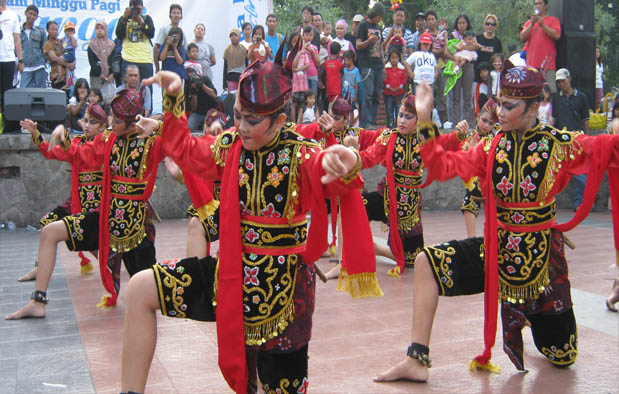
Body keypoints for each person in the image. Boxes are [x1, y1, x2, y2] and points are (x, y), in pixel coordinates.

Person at [119, 49, 381, 393]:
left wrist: (348, 161)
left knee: (276, 384)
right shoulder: (231, 147)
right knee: (140, 289)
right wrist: (173, 98)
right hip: (229, 277)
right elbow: (183, 148)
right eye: (238, 116)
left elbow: (327, 172)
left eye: (251, 120)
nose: (240, 126)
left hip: (284, 293)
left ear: (278, 119)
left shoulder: (300, 153)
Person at [374, 62, 619, 384]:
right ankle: (416, 358)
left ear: (533, 108)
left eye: (508, 106)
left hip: (542, 264)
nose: (499, 112)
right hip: (496, 252)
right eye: (499, 102)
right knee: (425, 262)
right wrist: (425, 120)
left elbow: (605, 150)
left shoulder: (559, 144)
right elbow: (444, 166)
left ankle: (529, 315)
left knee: (562, 355)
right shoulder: (491, 148)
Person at [6, 104, 112, 319]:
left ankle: (113, 266)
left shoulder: (107, 143)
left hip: (99, 209)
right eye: (86, 120)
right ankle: (40, 274)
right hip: (78, 204)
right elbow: (53, 152)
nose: (87, 125)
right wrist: (36, 134)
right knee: (49, 225)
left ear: (103, 125)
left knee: (97, 246)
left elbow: (85, 154)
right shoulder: (78, 142)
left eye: (93, 122)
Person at [456, 98, 499, 238]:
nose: (486, 125)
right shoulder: (469, 137)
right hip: (477, 181)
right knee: (470, 199)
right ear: (478, 117)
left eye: (491, 123)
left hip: (495, 181)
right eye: (484, 120)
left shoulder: (498, 137)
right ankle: (471, 239)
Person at [552, 68, 590, 211]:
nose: (561, 84)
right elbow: (553, 118)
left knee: (580, 172)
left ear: (569, 79)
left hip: (577, 138)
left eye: (563, 81)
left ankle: (580, 202)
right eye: (559, 82)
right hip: (560, 139)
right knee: (555, 171)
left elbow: (585, 118)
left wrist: (587, 137)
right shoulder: (556, 98)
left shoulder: (581, 97)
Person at [520, 0, 561, 93]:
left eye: (540, 3)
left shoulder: (553, 20)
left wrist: (542, 24)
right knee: (531, 93)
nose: (537, 6)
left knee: (550, 92)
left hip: (547, 65)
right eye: (535, 4)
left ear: (546, 6)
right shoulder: (528, 23)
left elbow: (556, 35)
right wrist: (531, 24)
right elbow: (522, 38)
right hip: (532, 65)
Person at [357, 2, 385, 128]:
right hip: (367, 65)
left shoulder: (379, 28)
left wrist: (383, 65)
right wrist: (369, 41)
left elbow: (381, 48)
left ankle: (373, 122)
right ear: (375, 14)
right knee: (368, 94)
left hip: (378, 64)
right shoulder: (363, 25)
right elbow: (358, 45)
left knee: (376, 94)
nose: (380, 19)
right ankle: (366, 123)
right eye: (379, 16)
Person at [115, 0, 155, 88]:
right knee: (126, 91)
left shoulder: (146, 19)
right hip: (128, 59)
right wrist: (124, 17)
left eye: (138, 8)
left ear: (142, 8)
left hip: (145, 60)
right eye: (133, 8)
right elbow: (119, 34)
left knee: (146, 90)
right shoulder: (124, 20)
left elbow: (151, 33)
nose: (135, 10)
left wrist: (141, 21)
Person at [448, 15, 477, 125]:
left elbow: (475, 47)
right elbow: (450, 49)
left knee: (467, 95)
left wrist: (464, 47)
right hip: (456, 63)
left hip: (468, 65)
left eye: (464, 22)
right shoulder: (453, 35)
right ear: (456, 24)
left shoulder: (471, 35)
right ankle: (456, 122)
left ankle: (467, 122)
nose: (461, 25)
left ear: (467, 24)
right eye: (459, 23)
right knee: (456, 95)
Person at [0, 0, 23, 116]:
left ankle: (6, 123)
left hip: (8, 58)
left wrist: (20, 59)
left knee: (7, 92)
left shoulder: (12, 15)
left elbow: (17, 39)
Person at [425, 11, 448, 125]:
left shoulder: (442, 33)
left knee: (443, 94)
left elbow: (446, 48)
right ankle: (430, 121)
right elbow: (429, 50)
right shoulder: (425, 34)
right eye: (428, 19)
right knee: (430, 95)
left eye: (432, 19)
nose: (430, 21)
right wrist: (439, 52)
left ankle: (443, 123)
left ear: (436, 20)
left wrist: (440, 52)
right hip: (430, 69)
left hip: (442, 66)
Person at [87, 20, 116, 106]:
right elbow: (92, 62)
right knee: (95, 100)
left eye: (102, 28)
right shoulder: (92, 45)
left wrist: (112, 75)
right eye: (97, 28)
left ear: (106, 30)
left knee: (109, 102)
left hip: (109, 78)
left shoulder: (111, 45)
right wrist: (100, 74)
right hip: (96, 76)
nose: (99, 30)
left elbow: (114, 61)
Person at [19, 4, 47, 88]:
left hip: (39, 66)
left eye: (34, 15)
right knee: (24, 93)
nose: (32, 16)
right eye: (30, 13)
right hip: (26, 67)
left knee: (41, 93)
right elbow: (17, 50)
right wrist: (20, 63)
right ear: (26, 13)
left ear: (37, 17)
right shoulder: (18, 31)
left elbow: (44, 49)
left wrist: (43, 61)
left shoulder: (40, 31)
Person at [153, 4, 185, 73]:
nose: (176, 15)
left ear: (181, 16)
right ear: (170, 15)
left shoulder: (182, 32)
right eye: (174, 13)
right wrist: (157, 67)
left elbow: (185, 50)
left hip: (178, 69)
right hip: (167, 68)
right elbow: (156, 47)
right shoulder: (164, 29)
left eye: (178, 13)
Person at [185, 66, 218, 130]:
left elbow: (214, 95)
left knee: (213, 128)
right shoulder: (188, 86)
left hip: (211, 111)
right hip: (198, 113)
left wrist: (202, 85)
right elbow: (193, 108)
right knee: (190, 126)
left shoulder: (205, 79)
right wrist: (194, 93)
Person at [42, 21, 71, 91]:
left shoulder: (61, 41)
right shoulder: (47, 44)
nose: (54, 31)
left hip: (67, 75)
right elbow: (54, 58)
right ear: (48, 31)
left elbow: (70, 52)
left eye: (56, 29)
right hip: (56, 76)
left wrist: (72, 62)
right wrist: (68, 64)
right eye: (52, 29)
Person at [383, 50, 407, 129]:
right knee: (389, 109)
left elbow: (404, 80)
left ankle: (397, 124)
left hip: (399, 92)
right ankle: (390, 125)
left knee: (398, 108)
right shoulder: (386, 69)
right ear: (389, 59)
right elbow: (384, 79)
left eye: (396, 58)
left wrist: (398, 88)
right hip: (388, 92)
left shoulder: (402, 69)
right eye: (392, 58)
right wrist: (389, 87)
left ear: (399, 59)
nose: (394, 60)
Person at [223, 28, 247, 92]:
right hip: (231, 78)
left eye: (235, 35)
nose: (233, 37)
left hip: (242, 78)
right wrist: (224, 84)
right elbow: (225, 67)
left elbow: (247, 66)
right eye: (231, 36)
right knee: (232, 98)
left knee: (241, 98)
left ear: (239, 36)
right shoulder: (228, 49)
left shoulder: (244, 49)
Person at [299, 26, 320, 97]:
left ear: (313, 36)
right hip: (302, 74)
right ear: (303, 36)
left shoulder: (314, 48)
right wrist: (304, 48)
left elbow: (318, 62)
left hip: (313, 74)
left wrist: (312, 52)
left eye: (310, 35)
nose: (308, 37)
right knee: (304, 97)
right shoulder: (300, 47)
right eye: (307, 35)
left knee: (313, 95)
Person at [595, 47, 604, 111]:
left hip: (599, 84)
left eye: (598, 52)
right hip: (592, 84)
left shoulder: (601, 64)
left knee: (598, 102)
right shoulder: (590, 63)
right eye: (596, 51)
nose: (597, 53)